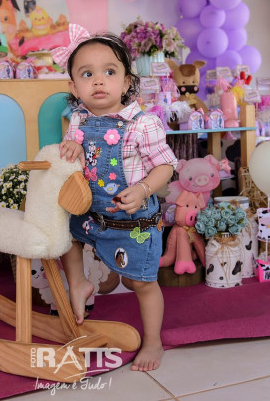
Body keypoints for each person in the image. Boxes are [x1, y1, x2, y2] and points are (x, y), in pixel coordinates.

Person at [51, 24, 178, 372]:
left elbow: (165, 166)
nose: (98, 81)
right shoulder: (78, 119)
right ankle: (78, 283)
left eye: (109, 72)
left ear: (126, 82)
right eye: (87, 74)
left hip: (131, 220)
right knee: (66, 234)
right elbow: (77, 155)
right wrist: (73, 147)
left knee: (141, 282)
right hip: (91, 214)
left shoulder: (142, 124)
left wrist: (144, 189)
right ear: (74, 87)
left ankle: (153, 341)